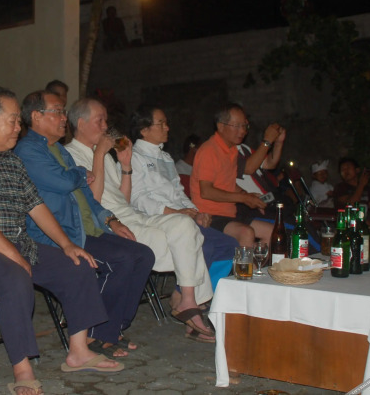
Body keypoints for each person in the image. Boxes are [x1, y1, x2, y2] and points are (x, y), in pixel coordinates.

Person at [0, 86, 123, 395]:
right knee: (15, 278)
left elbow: (36, 206)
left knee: (76, 265)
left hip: (17, 243)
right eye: (12, 120)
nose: (18, 127)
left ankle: (79, 352)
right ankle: (22, 368)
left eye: (18, 121)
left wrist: (67, 245)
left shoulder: (11, 161)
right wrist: (15, 257)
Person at [14, 91, 155, 357]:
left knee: (143, 255)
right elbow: (63, 182)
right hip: (59, 234)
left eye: (63, 111)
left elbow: (87, 197)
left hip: (85, 227)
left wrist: (110, 219)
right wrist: (80, 172)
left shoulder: (57, 150)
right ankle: (97, 333)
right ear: (36, 116)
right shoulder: (28, 150)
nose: (63, 117)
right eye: (57, 111)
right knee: (121, 260)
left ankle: (113, 327)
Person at [65, 98, 217, 343]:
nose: (105, 127)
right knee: (186, 243)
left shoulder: (104, 156)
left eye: (106, 120)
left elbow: (124, 199)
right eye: (100, 121)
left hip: (130, 214)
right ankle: (190, 306)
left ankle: (188, 299)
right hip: (106, 221)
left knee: (184, 225)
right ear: (81, 124)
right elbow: (95, 201)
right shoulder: (70, 155)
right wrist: (100, 153)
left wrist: (125, 166)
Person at [127, 105, 238, 274]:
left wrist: (195, 212)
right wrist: (175, 212)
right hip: (157, 221)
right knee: (205, 246)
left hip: (181, 218)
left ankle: (210, 288)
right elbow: (137, 198)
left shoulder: (165, 158)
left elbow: (178, 192)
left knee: (230, 246)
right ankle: (186, 290)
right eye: (161, 123)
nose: (167, 128)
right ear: (144, 130)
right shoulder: (133, 157)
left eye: (166, 123)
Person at [189, 103, 274, 247]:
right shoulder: (209, 151)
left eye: (245, 126)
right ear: (221, 126)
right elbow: (206, 191)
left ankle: (254, 261)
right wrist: (243, 198)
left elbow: (227, 183)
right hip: (208, 216)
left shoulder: (232, 150)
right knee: (246, 233)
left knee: (272, 232)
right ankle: (246, 262)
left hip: (230, 213)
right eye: (237, 126)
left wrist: (248, 196)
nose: (243, 131)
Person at [333, 157, 370, 223]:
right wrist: (361, 185)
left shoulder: (367, 189)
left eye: (348, 167)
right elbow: (351, 205)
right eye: (342, 169)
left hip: (364, 224)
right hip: (346, 224)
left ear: (357, 170)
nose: (345, 171)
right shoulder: (340, 188)